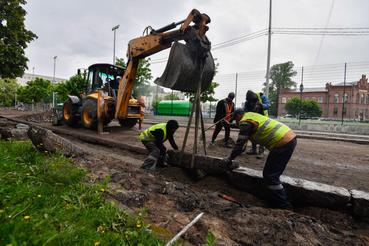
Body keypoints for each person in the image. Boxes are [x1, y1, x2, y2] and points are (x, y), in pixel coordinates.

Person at [221, 108, 297, 210]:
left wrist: (229, 158)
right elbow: (245, 125)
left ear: (238, 116)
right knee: (271, 174)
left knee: (270, 176)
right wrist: (229, 125)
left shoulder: (245, 123)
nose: (236, 122)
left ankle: (285, 206)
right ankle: (278, 201)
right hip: (289, 137)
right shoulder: (251, 115)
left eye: (235, 120)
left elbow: (239, 145)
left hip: (282, 143)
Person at [243, 90, 270, 159]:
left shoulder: (262, 97)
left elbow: (268, 105)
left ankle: (261, 151)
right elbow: (245, 110)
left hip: (263, 119)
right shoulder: (248, 101)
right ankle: (254, 149)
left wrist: (261, 105)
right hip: (253, 119)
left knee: (262, 134)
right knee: (252, 134)